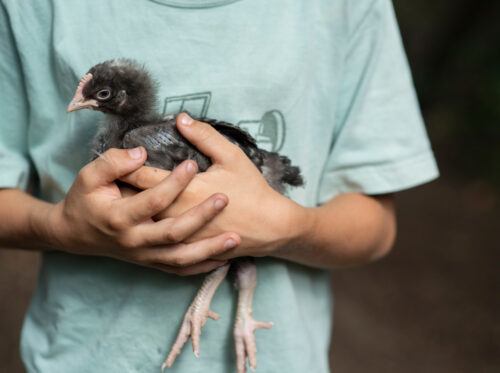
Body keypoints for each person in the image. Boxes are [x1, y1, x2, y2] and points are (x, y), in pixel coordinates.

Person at [0, 0, 438, 372]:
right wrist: (62, 227)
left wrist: (288, 226)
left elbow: (375, 225)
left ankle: (238, 310)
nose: (80, 105)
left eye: (97, 97)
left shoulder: (346, 10)